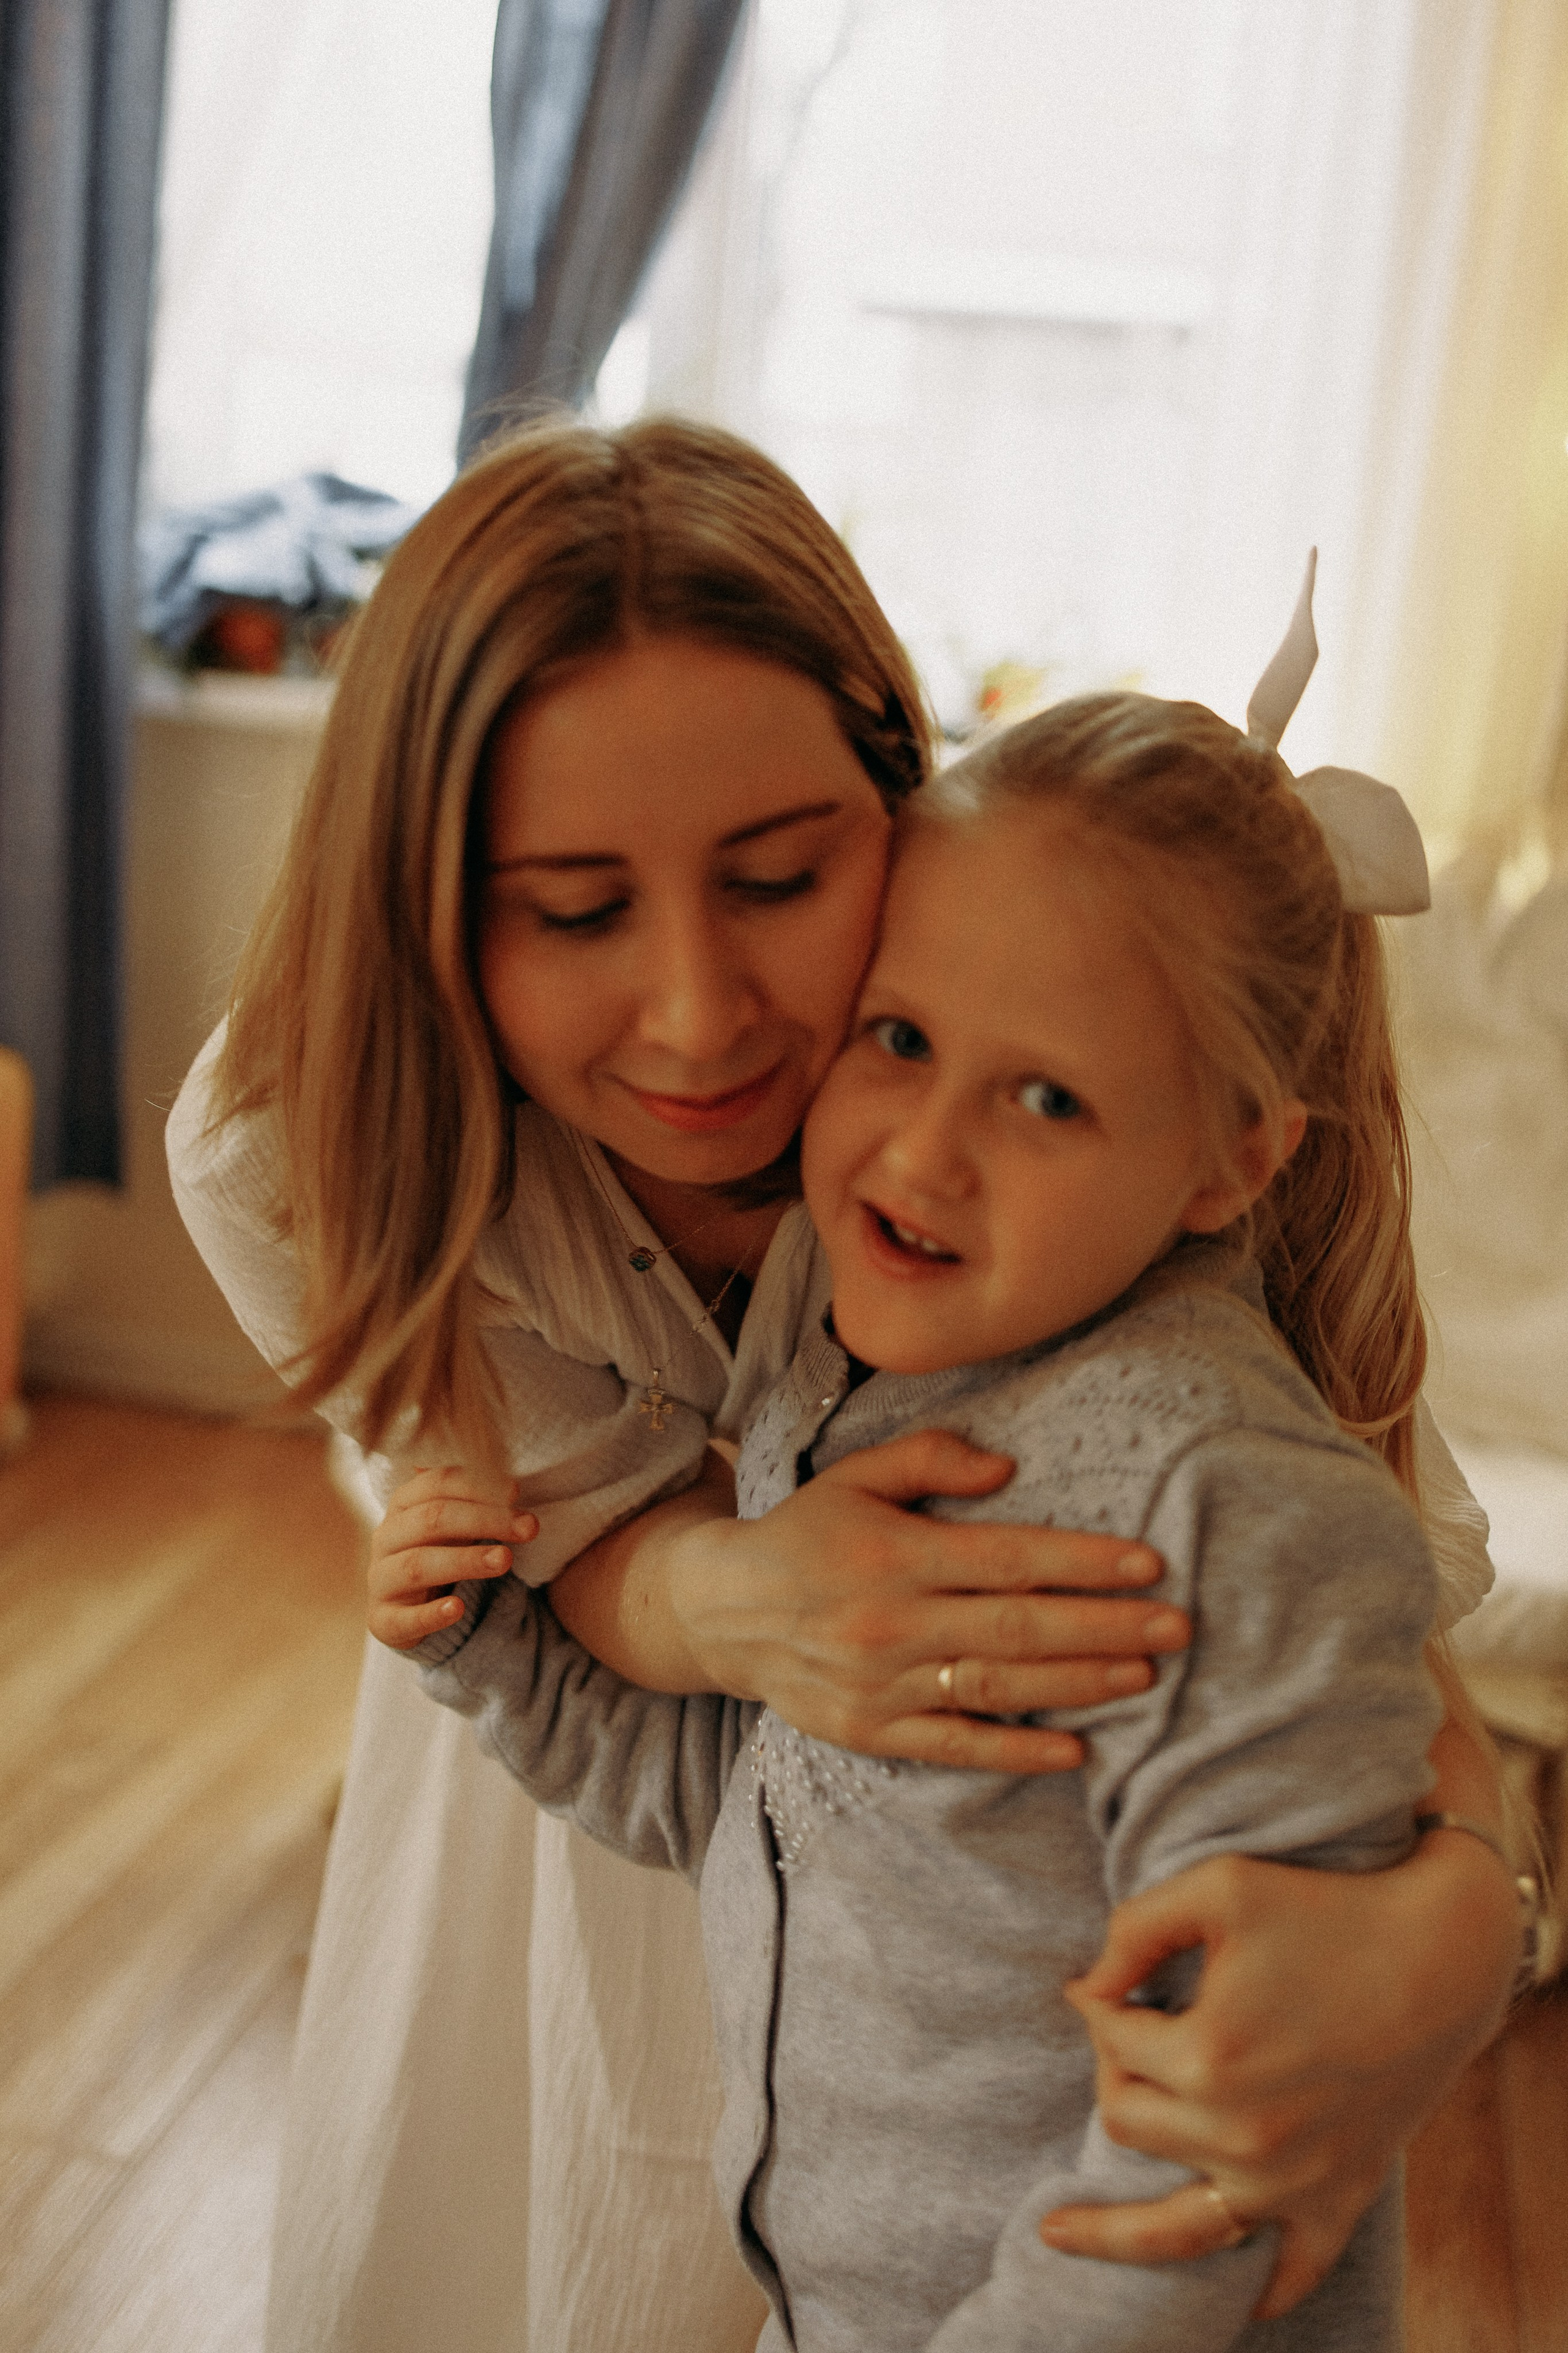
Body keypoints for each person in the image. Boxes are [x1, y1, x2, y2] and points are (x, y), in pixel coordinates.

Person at [166, 419, 1516, 2353]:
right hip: (612, 1863)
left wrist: (1453, 1925)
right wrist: (726, 1595)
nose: (703, 1017)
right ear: (432, 909)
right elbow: (596, 1606)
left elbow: (1328, 1615)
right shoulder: (298, 1135)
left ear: (904, 799)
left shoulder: (1082, 1020)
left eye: (786, 876)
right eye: (573, 911)